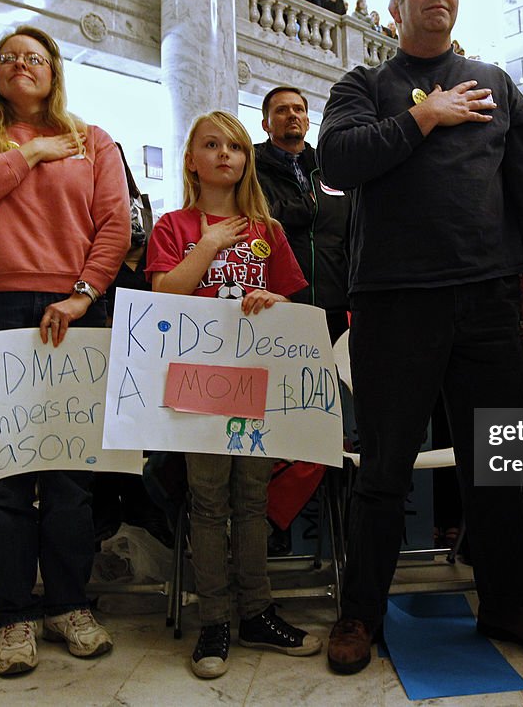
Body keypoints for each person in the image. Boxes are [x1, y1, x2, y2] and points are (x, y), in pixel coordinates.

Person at [317, 0, 523, 676]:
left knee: (496, 466)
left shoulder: (495, 82)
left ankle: (508, 603)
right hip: (395, 302)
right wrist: (422, 115)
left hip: (487, 297)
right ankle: (360, 613)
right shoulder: (365, 84)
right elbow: (337, 162)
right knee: (383, 472)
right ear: (396, 6)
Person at [0, 26, 129, 676]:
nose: (22, 65)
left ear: (53, 72)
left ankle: (69, 603)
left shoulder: (94, 140)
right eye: (10, 58)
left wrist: (83, 293)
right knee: (4, 477)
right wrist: (34, 151)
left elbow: (113, 225)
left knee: (71, 475)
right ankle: (14, 614)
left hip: (72, 308)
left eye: (35, 58)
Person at [145, 110, 321, 679]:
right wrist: (209, 243)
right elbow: (164, 291)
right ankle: (214, 619)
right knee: (207, 499)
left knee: (251, 499)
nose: (226, 154)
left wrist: (277, 304)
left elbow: (293, 301)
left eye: (236, 147)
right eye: (212, 145)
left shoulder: (266, 231)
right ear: (192, 160)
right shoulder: (173, 225)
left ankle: (258, 611)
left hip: (258, 381)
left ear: (247, 160)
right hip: (196, 384)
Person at [254, 85, 350, 555]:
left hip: (334, 311)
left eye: (298, 109)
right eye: (280, 110)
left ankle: (281, 516)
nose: (291, 116)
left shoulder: (330, 168)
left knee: (326, 423)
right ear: (265, 120)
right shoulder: (250, 167)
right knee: (275, 422)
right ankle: (264, 520)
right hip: (275, 311)